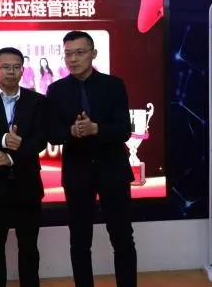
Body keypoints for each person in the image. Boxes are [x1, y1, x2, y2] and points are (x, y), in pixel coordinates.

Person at [46, 31, 136, 287]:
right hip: (77, 173)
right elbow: (51, 133)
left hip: (113, 171)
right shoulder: (56, 90)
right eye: (68, 54)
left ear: (93, 54)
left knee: (122, 237)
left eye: (79, 52)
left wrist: (97, 129)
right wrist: (71, 132)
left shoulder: (113, 85)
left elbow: (124, 130)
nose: (73, 59)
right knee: (79, 240)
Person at [0, 47, 47, 287]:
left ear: (23, 70)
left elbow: (40, 139)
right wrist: (3, 141)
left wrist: (12, 158)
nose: (11, 72)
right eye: (5, 67)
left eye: (16, 67)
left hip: (28, 185)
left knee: (29, 248)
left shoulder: (36, 100)